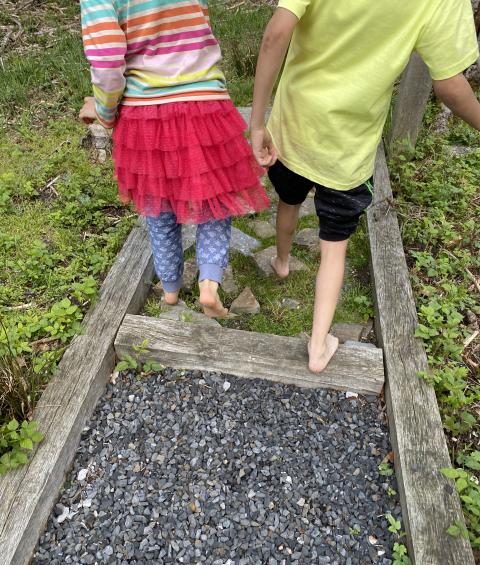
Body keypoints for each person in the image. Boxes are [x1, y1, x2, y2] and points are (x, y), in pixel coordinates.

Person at [251, 0, 480, 371]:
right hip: (349, 147)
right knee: (334, 246)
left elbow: (275, 34)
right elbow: (451, 87)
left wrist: (258, 122)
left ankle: (281, 262)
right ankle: (318, 345)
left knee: (289, 202)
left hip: (294, 127)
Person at [79, 0, 269, 318]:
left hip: (144, 111)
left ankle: (170, 288)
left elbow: (108, 58)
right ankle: (209, 284)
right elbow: (201, 22)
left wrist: (104, 112)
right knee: (215, 199)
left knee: (158, 204)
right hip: (205, 103)